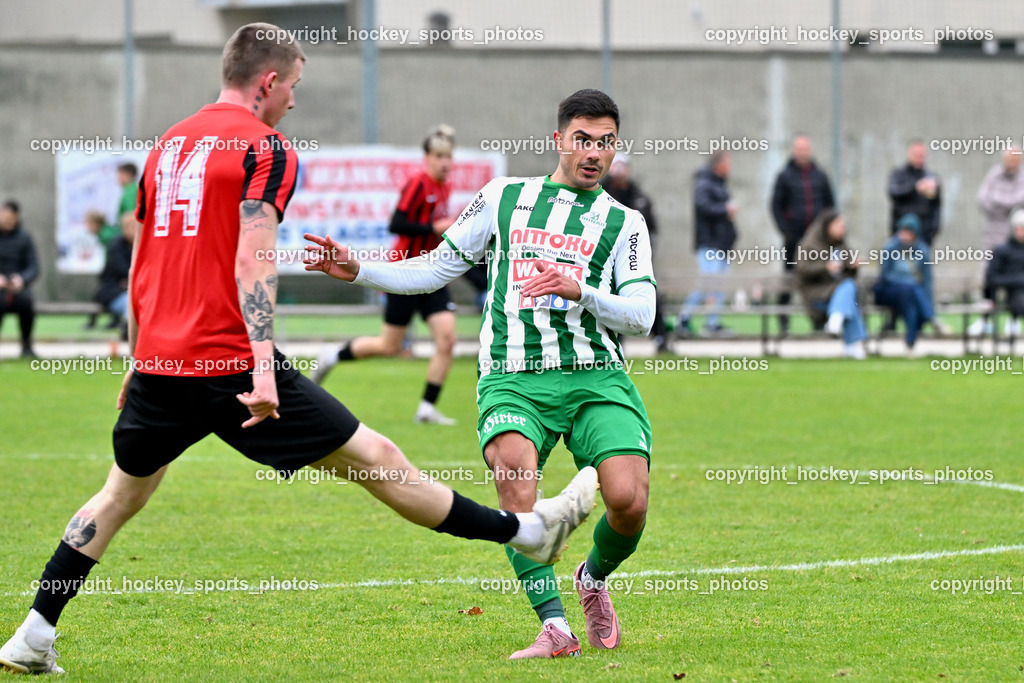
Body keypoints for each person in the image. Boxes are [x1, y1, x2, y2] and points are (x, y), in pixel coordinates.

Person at [0, 24, 597, 676]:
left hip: (160, 364)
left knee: (119, 495)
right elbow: (255, 256)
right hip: (227, 361)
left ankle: (33, 632)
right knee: (377, 457)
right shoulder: (267, 147)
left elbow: (145, 254)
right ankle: (529, 533)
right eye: (294, 87)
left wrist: (137, 356)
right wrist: (261, 365)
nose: (294, 101)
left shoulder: (167, 145)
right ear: (267, 82)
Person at [305, 89, 656, 660]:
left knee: (628, 500)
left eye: (605, 142)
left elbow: (642, 315)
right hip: (514, 376)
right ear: (558, 140)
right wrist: (361, 269)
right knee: (516, 485)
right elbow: (436, 267)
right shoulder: (504, 198)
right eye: (582, 139)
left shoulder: (626, 223)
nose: (593, 152)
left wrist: (582, 291)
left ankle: (593, 579)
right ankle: (555, 629)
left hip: (597, 376)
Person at [313, 125, 460, 425]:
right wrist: (434, 229)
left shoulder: (445, 187)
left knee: (447, 340)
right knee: (389, 346)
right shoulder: (419, 184)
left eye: (448, 156)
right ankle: (333, 355)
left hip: (433, 274)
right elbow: (396, 224)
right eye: (439, 156)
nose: (445, 162)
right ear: (428, 158)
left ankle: (427, 409)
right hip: (404, 273)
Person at [602, 153, 669, 351]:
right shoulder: (599, 194)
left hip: (633, 258)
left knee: (647, 295)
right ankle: (616, 343)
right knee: (612, 298)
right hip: (606, 258)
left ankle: (661, 338)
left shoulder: (639, 197)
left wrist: (644, 255)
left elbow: (652, 229)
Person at [771, 135, 835, 336]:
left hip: (817, 243)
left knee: (819, 276)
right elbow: (776, 206)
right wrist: (786, 231)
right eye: (799, 148)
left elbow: (829, 206)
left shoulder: (820, 175)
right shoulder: (785, 176)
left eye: (806, 148)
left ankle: (818, 320)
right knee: (789, 278)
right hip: (794, 238)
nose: (803, 152)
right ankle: (783, 320)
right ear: (793, 150)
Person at [677, 151, 737, 338]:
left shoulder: (719, 183)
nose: (730, 166)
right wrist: (725, 209)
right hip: (710, 243)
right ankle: (683, 318)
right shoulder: (704, 182)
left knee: (718, 285)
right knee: (707, 283)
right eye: (727, 162)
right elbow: (702, 206)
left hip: (722, 244)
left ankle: (712, 323)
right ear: (718, 164)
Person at [795, 209, 866, 359]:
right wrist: (825, 267)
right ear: (828, 226)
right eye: (839, 225)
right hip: (817, 295)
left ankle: (837, 320)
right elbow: (802, 270)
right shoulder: (810, 245)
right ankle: (851, 343)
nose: (843, 229)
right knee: (849, 292)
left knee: (848, 291)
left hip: (838, 294)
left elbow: (847, 274)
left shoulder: (841, 246)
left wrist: (852, 266)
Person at [969, 148, 1024, 337]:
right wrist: (1009, 205)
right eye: (1010, 159)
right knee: (989, 278)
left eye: (1016, 159)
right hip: (993, 235)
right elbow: (983, 200)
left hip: (1014, 239)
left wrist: (1000, 204)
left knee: (1016, 279)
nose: (1013, 162)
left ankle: (1013, 320)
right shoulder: (994, 175)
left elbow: (1019, 202)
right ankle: (985, 320)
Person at [873, 213, 936, 355]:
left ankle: (910, 343)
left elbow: (926, 279)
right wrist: (906, 282)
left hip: (910, 294)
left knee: (912, 303)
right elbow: (885, 274)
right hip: (891, 290)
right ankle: (930, 317)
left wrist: (928, 297)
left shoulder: (922, 250)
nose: (904, 235)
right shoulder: (890, 247)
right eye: (902, 231)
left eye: (908, 232)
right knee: (911, 289)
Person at [0, 200, 39, 358]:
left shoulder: (24, 238)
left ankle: (26, 345)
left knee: (26, 302)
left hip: (18, 287)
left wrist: (21, 279)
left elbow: (33, 267)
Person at [888, 141, 941, 246]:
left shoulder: (931, 177)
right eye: (916, 154)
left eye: (921, 155)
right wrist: (916, 187)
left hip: (924, 232)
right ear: (909, 154)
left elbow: (936, 206)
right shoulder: (898, 174)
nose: (919, 158)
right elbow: (894, 192)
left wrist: (934, 229)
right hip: (902, 230)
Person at [91, 212, 136, 336]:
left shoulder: (144, 246)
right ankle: (129, 330)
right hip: (115, 291)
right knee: (130, 302)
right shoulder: (117, 247)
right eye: (129, 227)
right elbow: (121, 271)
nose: (132, 230)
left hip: (136, 289)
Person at [984, 208, 1024, 337]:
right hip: (1010, 294)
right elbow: (992, 278)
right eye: (1019, 228)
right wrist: (1017, 281)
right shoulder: (1002, 251)